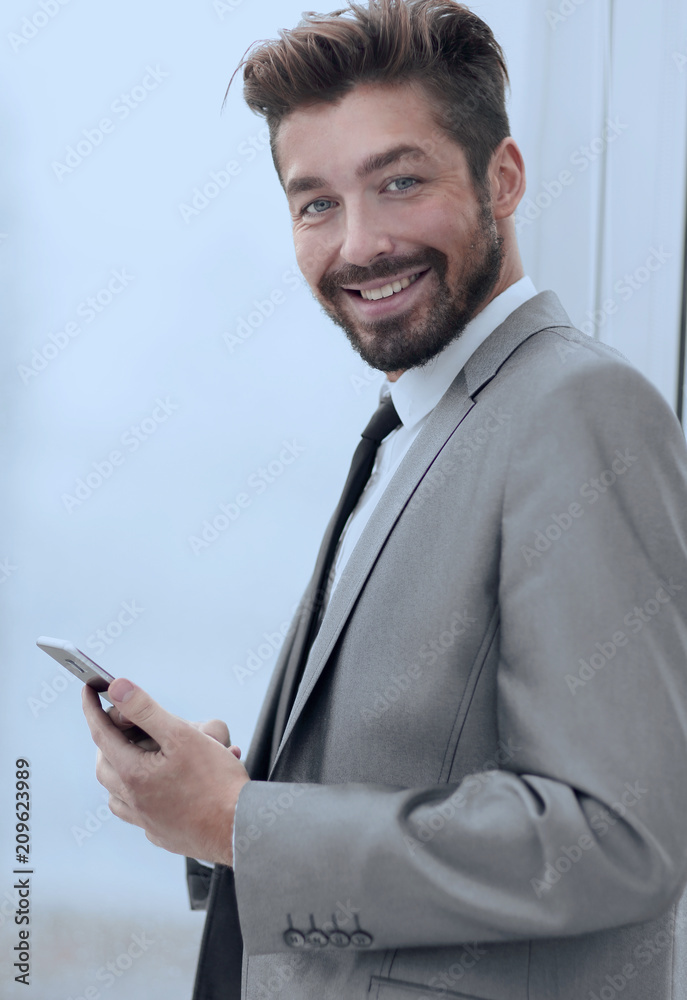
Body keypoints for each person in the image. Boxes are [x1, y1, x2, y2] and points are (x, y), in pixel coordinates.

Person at [83, 2, 687, 998]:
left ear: (504, 178)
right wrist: (205, 804)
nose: (358, 245)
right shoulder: (422, 423)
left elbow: (617, 837)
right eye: (316, 203)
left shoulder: (580, 407)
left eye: (398, 182)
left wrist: (241, 820)